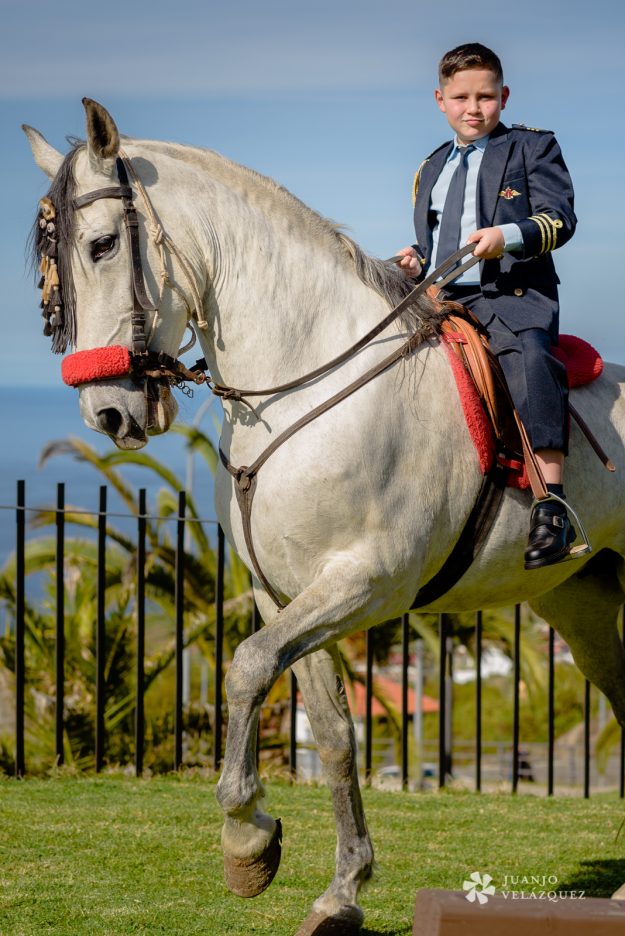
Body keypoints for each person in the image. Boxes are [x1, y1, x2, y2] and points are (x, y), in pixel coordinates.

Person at [396, 42, 577, 570]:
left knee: (533, 359)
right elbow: (429, 243)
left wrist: (509, 235)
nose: (473, 108)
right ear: (440, 99)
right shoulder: (428, 167)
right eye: (461, 97)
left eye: (486, 96)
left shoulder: (532, 148)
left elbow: (560, 219)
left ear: (504, 96)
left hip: (513, 297)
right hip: (444, 298)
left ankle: (553, 505)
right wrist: (414, 258)